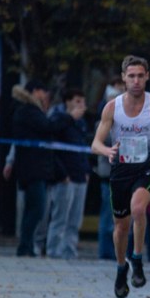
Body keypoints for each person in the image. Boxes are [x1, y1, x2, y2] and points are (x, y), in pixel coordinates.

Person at [91, 55, 150, 298]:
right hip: (120, 171)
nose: (136, 81)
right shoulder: (113, 107)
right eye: (131, 76)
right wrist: (107, 150)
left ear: (147, 77)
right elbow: (95, 143)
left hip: (147, 168)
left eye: (140, 76)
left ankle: (137, 257)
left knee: (138, 209)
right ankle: (122, 268)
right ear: (123, 78)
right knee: (121, 227)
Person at [10, 80, 67, 257]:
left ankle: (26, 246)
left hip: (34, 167)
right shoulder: (28, 111)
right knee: (36, 209)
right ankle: (25, 246)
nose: (45, 96)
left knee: (33, 209)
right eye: (43, 92)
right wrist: (68, 117)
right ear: (35, 91)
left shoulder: (29, 110)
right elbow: (47, 128)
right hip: (33, 168)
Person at [46, 88, 89, 259]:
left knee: (75, 220)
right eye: (77, 101)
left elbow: (83, 148)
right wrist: (61, 173)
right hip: (65, 177)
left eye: (83, 102)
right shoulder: (58, 118)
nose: (81, 106)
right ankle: (53, 251)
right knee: (60, 218)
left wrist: (86, 170)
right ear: (68, 102)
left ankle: (69, 251)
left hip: (80, 176)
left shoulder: (81, 123)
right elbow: (53, 148)